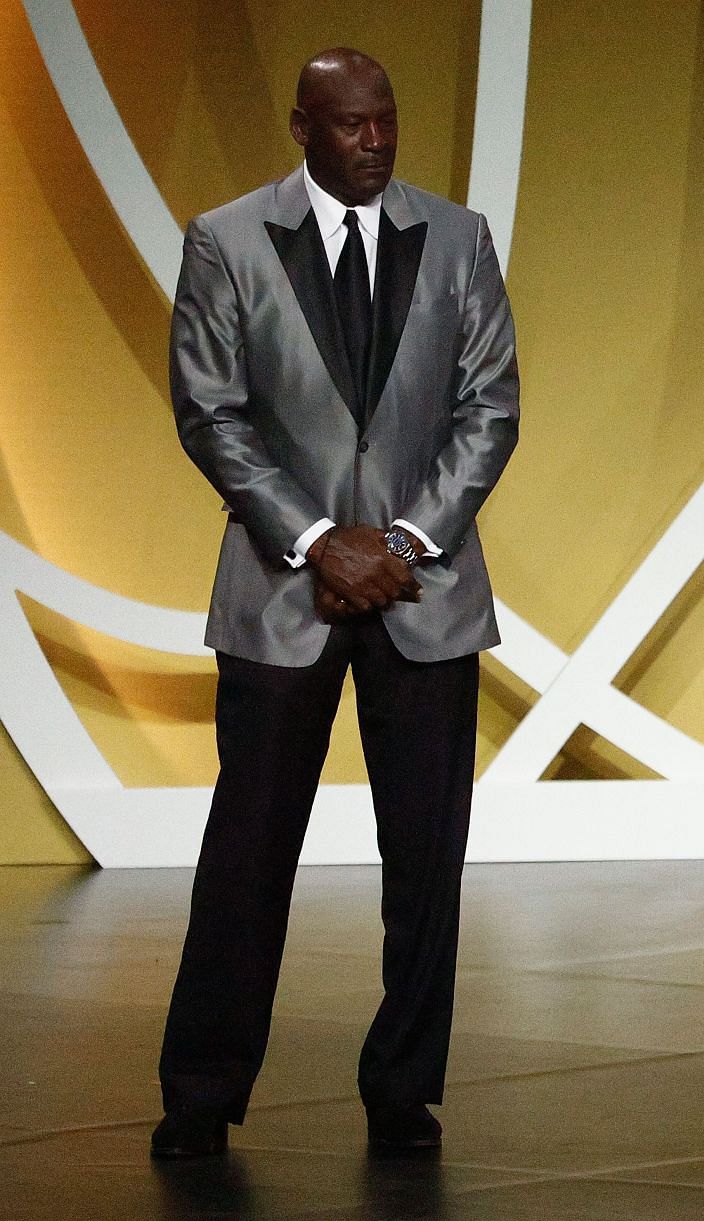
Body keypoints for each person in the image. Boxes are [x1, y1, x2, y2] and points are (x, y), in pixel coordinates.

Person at [151, 47, 518, 1158]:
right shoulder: (226, 239)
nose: (376, 142)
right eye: (352, 125)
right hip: (281, 590)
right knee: (248, 852)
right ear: (302, 126)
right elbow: (211, 412)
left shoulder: (458, 237)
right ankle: (202, 1092)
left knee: (427, 857)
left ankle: (403, 1086)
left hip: (425, 586)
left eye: (388, 122)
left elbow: (488, 406)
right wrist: (319, 541)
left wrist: (403, 540)